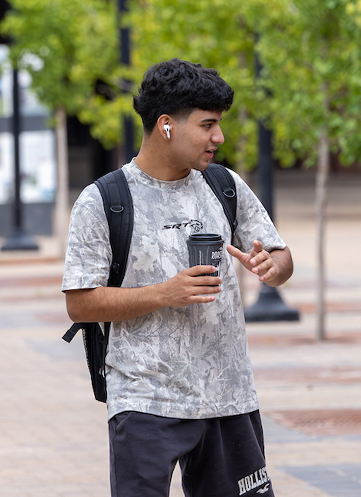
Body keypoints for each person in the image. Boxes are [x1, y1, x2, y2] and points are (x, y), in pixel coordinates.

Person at [62, 58, 293, 497]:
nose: (218, 137)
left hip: (229, 396)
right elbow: (80, 302)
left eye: (219, 124)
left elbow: (281, 258)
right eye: (207, 125)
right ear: (166, 125)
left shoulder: (224, 185)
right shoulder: (104, 200)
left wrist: (272, 266)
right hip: (146, 399)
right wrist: (165, 293)